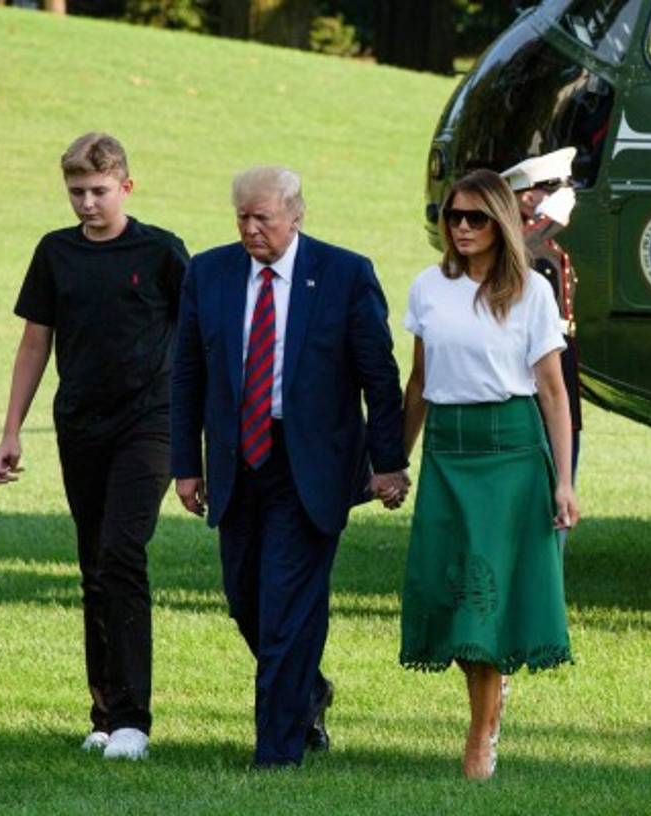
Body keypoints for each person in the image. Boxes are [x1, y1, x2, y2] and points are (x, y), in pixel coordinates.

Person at [170, 166, 408, 768]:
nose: (251, 229)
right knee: (244, 597)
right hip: (235, 461)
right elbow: (187, 375)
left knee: (286, 607)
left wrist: (389, 463)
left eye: (263, 218)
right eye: (242, 218)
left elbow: (378, 377)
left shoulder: (344, 274)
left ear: (296, 215)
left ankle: (277, 751)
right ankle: (308, 691)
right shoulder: (210, 271)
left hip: (311, 464)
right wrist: (185, 465)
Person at [0, 132, 189, 761]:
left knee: (122, 552)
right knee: (94, 568)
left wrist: (198, 437)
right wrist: (11, 430)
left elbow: (196, 343)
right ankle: (103, 716)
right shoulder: (55, 253)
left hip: (149, 423)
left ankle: (133, 722)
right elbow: (34, 343)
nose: (86, 203)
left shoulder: (161, 252)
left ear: (125, 187)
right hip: (80, 425)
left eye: (98, 191)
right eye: (76, 192)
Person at [399, 169, 578, 781]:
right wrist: (397, 460)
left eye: (476, 217)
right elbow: (419, 384)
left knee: (487, 601)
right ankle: (490, 702)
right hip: (448, 453)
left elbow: (554, 392)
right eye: (454, 217)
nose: (464, 228)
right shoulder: (429, 287)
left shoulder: (532, 291)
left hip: (512, 454)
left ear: (501, 221)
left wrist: (564, 481)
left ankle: (480, 735)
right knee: (452, 593)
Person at [500, 147, 583, 480]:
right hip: (531, 354)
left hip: (560, 349)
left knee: (566, 440)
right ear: (529, 197)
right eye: (551, 190)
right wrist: (548, 220)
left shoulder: (546, 243)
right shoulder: (522, 241)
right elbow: (512, 251)